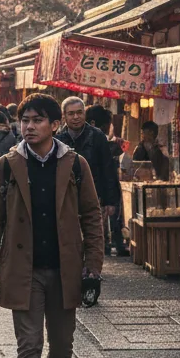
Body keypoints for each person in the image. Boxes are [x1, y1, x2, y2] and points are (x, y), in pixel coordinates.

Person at [0, 93, 105, 358]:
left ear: (54, 124)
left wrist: (93, 266)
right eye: (25, 121)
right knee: (29, 345)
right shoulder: (6, 165)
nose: (29, 127)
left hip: (66, 268)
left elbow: (92, 217)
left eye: (37, 120)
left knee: (63, 343)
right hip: (24, 269)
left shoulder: (75, 164)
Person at [58, 97, 121, 257]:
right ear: (64, 116)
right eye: (71, 114)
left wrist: (110, 201)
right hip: (66, 196)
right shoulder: (58, 138)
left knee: (93, 235)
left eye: (79, 112)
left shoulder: (97, 136)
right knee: (69, 235)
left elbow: (108, 168)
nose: (76, 117)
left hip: (94, 194)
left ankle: (92, 270)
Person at [87, 105, 128, 256]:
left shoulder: (91, 140)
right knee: (105, 217)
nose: (107, 128)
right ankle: (111, 244)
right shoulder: (99, 141)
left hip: (100, 187)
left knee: (103, 218)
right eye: (106, 125)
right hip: (101, 187)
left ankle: (108, 244)